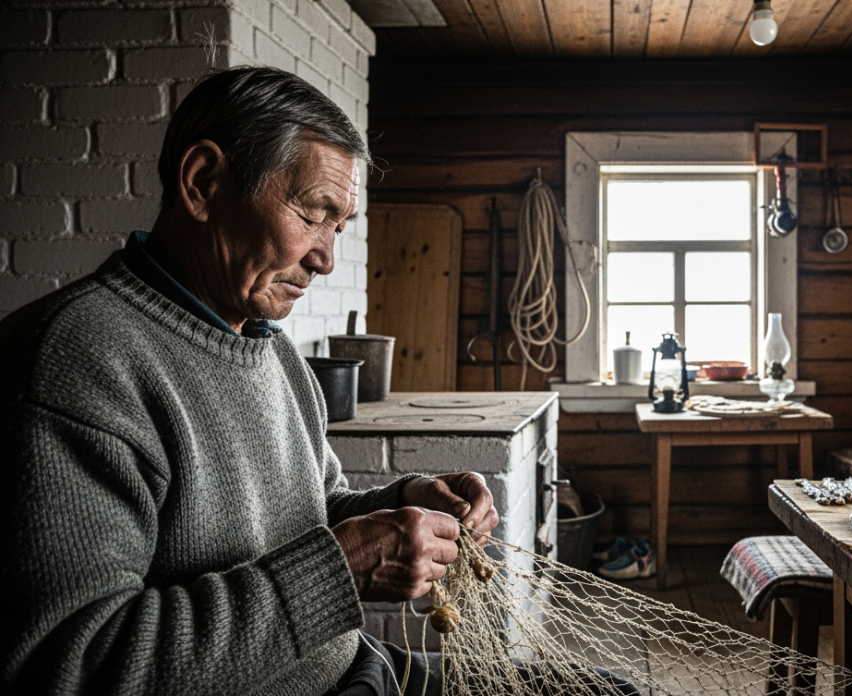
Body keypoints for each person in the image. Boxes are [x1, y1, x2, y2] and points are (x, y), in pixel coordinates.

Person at [0, 67, 499, 695]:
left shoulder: (273, 352)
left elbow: (312, 518)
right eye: (314, 215)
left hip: (354, 669)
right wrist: (338, 573)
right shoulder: (76, 362)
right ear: (204, 183)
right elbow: (69, 667)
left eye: (337, 228)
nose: (326, 259)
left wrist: (405, 504)